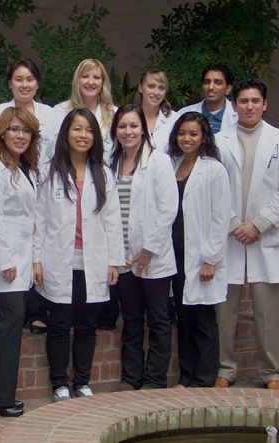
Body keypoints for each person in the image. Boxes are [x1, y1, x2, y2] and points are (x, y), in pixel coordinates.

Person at [214, 79, 279, 391]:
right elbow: (213, 188)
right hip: (230, 235)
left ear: (265, 104)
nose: (249, 106)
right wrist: (234, 223)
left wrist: (259, 224)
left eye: (255, 101)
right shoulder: (218, 140)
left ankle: (273, 374)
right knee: (225, 312)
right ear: (234, 105)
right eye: (243, 101)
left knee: (268, 312)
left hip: (266, 237)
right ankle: (225, 368)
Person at [33, 108, 124, 402]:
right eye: (77, 129)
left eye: (88, 130)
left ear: (95, 137)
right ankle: (60, 383)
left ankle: (82, 382)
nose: (82, 135)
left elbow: (113, 221)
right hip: (59, 259)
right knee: (59, 324)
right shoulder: (49, 172)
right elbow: (40, 220)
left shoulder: (104, 174)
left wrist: (113, 261)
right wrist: (36, 259)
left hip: (93, 261)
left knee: (86, 325)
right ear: (66, 134)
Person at [108, 103, 179, 392]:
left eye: (133, 126)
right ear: (116, 131)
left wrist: (148, 250)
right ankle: (130, 377)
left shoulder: (159, 162)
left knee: (159, 321)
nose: (128, 131)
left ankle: (154, 380)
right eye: (122, 126)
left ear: (144, 129)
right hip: (124, 257)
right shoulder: (110, 163)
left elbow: (168, 209)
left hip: (153, 258)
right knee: (132, 319)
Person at [0, 107, 40, 417]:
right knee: (11, 321)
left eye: (26, 131)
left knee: (14, 323)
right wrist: (5, 260)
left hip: (21, 259)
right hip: (6, 261)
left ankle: (2, 394)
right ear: (2, 133)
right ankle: (0, 397)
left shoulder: (21, 168)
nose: (20, 135)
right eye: (14, 129)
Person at [0, 59, 59, 335]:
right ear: (10, 83)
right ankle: (19, 309)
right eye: (19, 79)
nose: (25, 84)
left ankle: (37, 311)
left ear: (37, 83)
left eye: (30, 79)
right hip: (14, 184)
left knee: (39, 244)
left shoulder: (51, 114)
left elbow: (57, 150)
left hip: (43, 184)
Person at [166, 112, 231, 388]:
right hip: (176, 257)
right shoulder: (172, 165)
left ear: (203, 136)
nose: (187, 138)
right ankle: (186, 377)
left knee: (203, 320)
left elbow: (221, 217)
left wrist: (210, 260)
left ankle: (204, 379)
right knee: (184, 319)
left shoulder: (213, 169)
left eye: (193, 133)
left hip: (202, 258)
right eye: (182, 133)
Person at [54, 59, 116, 155]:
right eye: (85, 76)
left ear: (102, 82)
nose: (91, 82)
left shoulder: (114, 114)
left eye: (96, 77)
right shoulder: (60, 111)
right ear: (77, 80)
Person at [178, 64, 238, 134]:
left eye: (218, 83)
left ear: (228, 89)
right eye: (207, 82)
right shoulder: (183, 113)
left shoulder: (239, 116)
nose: (211, 87)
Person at [134, 69, 179, 153]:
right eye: (151, 86)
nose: (156, 92)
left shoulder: (174, 119)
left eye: (161, 88)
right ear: (140, 88)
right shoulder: (128, 117)